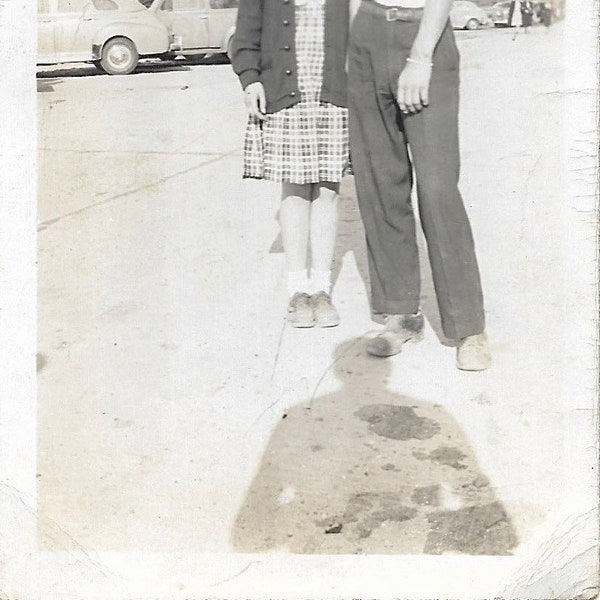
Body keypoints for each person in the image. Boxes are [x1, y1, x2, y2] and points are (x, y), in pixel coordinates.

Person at [347, 0, 492, 370]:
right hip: (367, 31)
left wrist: (421, 57)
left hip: (423, 35)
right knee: (380, 182)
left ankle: (469, 327)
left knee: (437, 189)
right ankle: (401, 312)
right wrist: (354, 42)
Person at [230, 0, 350, 328]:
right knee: (295, 191)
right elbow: (246, 34)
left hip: (334, 93)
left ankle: (322, 289)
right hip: (285, 92)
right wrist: (250, 78)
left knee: (328, 190)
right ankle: (298, 290)